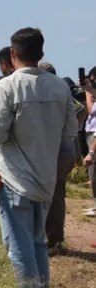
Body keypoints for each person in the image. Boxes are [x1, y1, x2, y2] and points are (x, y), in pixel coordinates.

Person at [0, 27, 78, 288]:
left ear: (13, 54)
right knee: (37, 242)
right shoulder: (60, 87)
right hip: (45, 180)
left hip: (14, 180)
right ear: (42, 53)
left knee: (18, 248)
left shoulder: (8, 87)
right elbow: (70, 131)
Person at [38, 62, 88, 252]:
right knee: (57, 192)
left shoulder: (48, 93)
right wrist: (70, 130)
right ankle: (54, 238)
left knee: (46, 193)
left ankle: (47, 239)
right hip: (66, 148)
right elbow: (81, 111)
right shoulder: (62, 91)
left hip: (54, 150)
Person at [82, 66, 96, 217]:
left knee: (94, 171)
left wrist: (87, 92)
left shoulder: (91, 94)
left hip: (94, 135)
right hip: (90, 132)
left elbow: (90, 110)